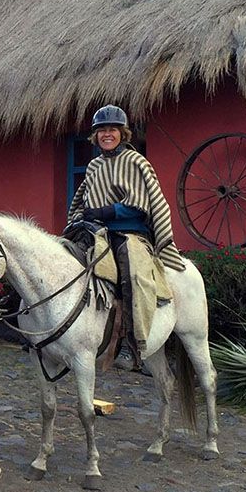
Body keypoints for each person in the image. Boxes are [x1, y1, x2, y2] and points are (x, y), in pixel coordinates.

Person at [66, 105, 184, 371]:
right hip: (97, 231)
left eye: (112, 130)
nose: (107, 134)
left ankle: (133, 346)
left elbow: (142, 203)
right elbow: (83, 198)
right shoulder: (94, 166)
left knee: (132, 272)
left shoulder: (136, 162)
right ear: (95, 136)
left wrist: (107, 211)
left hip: (130, 232)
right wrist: (84, 216)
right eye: (102, 131)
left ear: (123, 133)